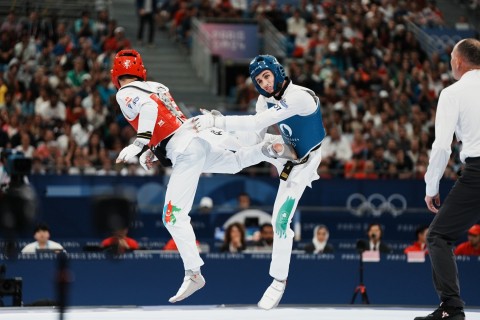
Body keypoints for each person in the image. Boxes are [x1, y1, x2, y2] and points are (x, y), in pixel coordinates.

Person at [111, 50, 288, 304]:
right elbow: (168, 120)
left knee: (173, 216)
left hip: (186, 151)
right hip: (195, 138)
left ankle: (194, 272)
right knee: (236, 161)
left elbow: (149, 109)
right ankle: (268, 148)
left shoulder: (124, 93)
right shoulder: (156, 85)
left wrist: (140, 143)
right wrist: (153, 149)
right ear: (142, 71)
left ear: (115, 76)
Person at [193, 54, 326, 309]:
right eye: (259, 80)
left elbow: (255, 122)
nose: (264, 83)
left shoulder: (299, 96)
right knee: (245, 154)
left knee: (280, 221)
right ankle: (202, 155)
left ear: (277, 71)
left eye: (266, 76)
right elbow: (252, 138)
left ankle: (279, 279)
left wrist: (218, 121)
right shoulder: (264, 101)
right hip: (283, 151)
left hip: (304, 163)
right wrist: (219, 133)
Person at [421, 38, 480, 320]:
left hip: (478, 174)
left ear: (457, 62)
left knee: (438, 236)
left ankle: (451, 308)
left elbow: (442, 146)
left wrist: (431, 186)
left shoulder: (453, 93)